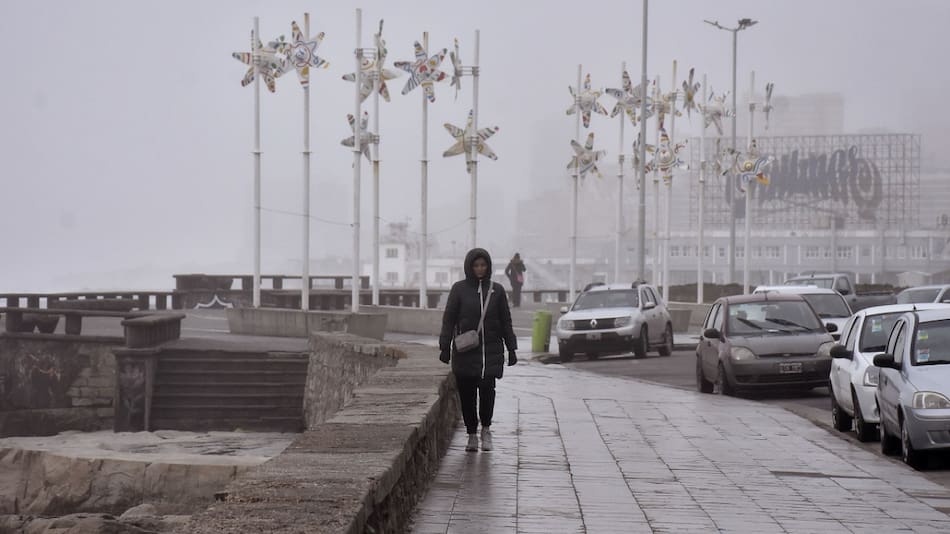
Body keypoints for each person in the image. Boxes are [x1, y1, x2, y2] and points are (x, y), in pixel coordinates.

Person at [439, 248, 518, 452]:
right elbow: (448, 320)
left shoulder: (497, 290)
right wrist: (444, 346)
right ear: (469, 267)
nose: (480, 269)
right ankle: (472, 434)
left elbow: (506, 321)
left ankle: (486, 430)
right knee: (467, 395)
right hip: (466, 352)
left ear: (488, 266)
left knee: (487, 392)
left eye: (483, 265)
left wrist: (512, 348)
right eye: (476, 265)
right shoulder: (459, 289)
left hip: (490, 352)